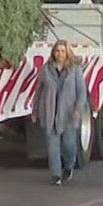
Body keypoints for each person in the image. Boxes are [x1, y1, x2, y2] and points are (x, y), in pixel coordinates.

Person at [33, 41, 89, 185]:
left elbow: (82, 92)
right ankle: (56, 175)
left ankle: (69, 167)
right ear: (53, 53)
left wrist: (78, 108)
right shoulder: (46, 69)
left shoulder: (75, 70)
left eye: (63, 51)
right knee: (52, 147)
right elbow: (39, 91)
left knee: (68, 145)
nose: (60, 54)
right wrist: (35, 111)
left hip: (68, 114)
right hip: (50, 113)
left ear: (67, 53)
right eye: (57, 51)